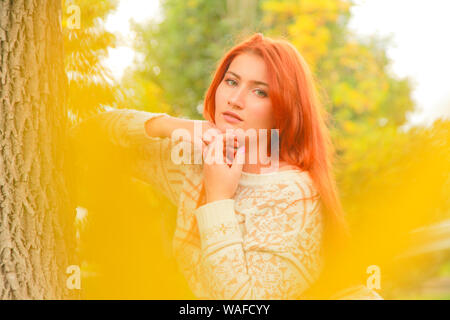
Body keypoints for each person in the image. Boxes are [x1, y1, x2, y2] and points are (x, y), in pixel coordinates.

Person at [71, 33, 383, 299]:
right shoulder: (196, 158)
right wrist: (179, 127)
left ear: (285, 109)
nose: (235, 99)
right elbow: (90, 133)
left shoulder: (294, 194)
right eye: (231, 81)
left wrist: (218, 197)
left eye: (260, 91)